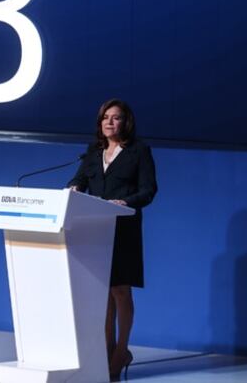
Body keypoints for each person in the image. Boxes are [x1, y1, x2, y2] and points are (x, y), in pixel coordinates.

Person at [66, 99, 157, 381]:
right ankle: (105, 351)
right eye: (105, 117)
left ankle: (121, 352)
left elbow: (148, 190)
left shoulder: (139, 151)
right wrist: (72, 188)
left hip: (123, 229)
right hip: (95, 229)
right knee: (102, 292)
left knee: (120, 290)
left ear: (125, 122)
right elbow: (78, 180)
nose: (109, 122)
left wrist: (124, 201)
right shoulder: (93, 152)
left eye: (115, 118)